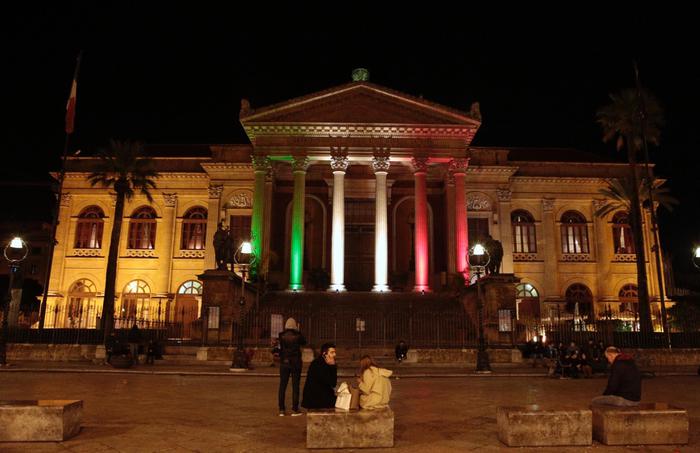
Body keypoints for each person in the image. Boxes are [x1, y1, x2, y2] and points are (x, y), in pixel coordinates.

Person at [277, 318, 306, 416]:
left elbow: (280, 348)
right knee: (295, 386)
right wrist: (298, 330)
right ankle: (295, 408)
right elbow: (304, 342)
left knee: (282, 386)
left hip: (284, 363)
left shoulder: (281, 335)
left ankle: (281, 409)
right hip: (296, 363)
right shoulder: (298, 336)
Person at [302, 342, 338, 411]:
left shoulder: (321, 362)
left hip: (319, 397)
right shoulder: (318, 364)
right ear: (324, 354)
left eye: (334, 352)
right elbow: (333, 383)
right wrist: (333, 367)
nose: (334, 355)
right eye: (332, 352)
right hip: (316, 400)